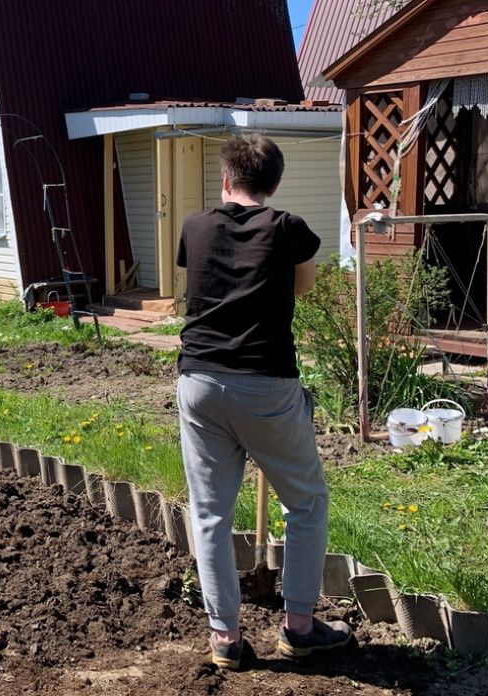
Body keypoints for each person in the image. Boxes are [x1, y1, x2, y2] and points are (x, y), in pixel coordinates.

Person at [175, 134, 351, 670]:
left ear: (226, 180)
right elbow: (301, 288)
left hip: (199, 380)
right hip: (265, 383)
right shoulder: (289, 229)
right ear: (273, 185)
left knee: (209, 512)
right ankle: (298, 626)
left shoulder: (194, 226)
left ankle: (225, 638)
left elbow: (203, 282)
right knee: (305, 501)